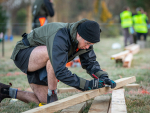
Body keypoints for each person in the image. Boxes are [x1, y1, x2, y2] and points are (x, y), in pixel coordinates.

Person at [0, 19, 116, 104]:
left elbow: (90, 63)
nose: (88, 47)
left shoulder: (84, 42)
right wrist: (87, 85)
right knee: (53, 57)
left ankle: (6, 91)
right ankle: (53, 93)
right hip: (24, 54)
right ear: (79, 35)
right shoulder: (61, 35)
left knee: (46, 104)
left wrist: (103, 77)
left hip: (45, 61)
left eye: (91, 45)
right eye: (87, 44)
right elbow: (60, 71)